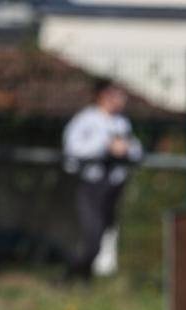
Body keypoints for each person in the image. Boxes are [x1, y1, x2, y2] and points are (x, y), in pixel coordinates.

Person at [62, 78, 142, 281]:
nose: (122, 99)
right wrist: (105, 146)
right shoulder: (86, 120)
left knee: (106, 233)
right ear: (104, 95)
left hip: (113, 184)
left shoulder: (121, 122)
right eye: (117, 94)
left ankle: (82, 278)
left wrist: (127, 151)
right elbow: (73, 150)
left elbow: (135, 149)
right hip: (92, 184)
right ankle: (73, 275)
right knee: (93, 234)